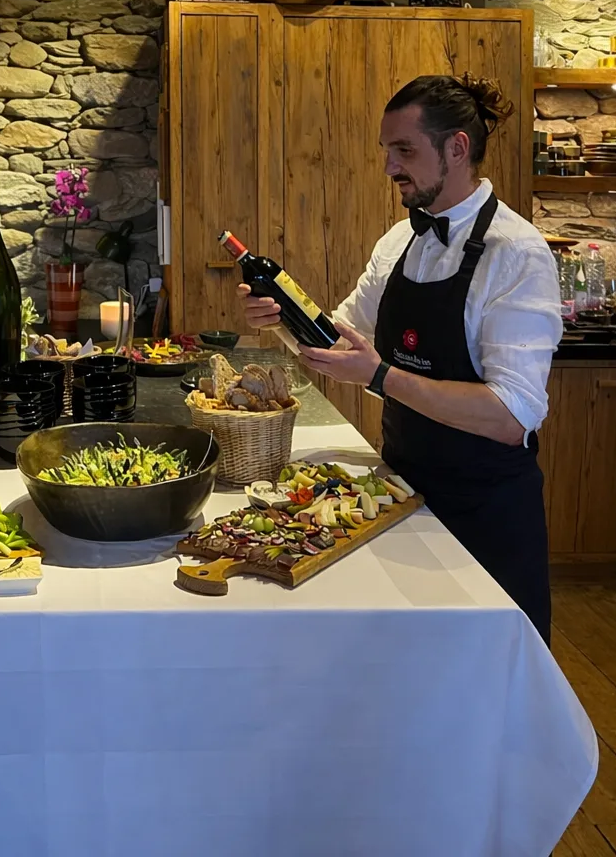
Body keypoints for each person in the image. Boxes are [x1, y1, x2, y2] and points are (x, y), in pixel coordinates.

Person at [239, 74, 562, 644]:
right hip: (401, 496)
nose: (389, 167)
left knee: (488, 686)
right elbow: (342, 346)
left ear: (457, 148)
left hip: (486, 514)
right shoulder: (396, 242)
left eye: (404, 150)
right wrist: (283, 319)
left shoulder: (518, 255)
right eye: (387, 150)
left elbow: (511, 418)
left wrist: (384, 376)